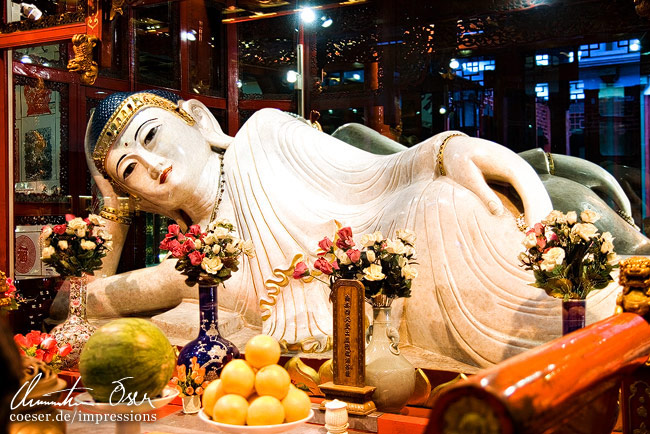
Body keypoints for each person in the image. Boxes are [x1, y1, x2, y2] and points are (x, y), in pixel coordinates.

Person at [78, 90, 619, 367]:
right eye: (128, 173)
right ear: (135, 197)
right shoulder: (194, 261)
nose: (152, 166)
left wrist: (454, 148)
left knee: (445, 207)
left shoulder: (264, 137)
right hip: (371, 334)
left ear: (196, 118)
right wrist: (111, 209)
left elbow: (378, 173)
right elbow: (86, 302)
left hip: (422, 237)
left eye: (151, 136)